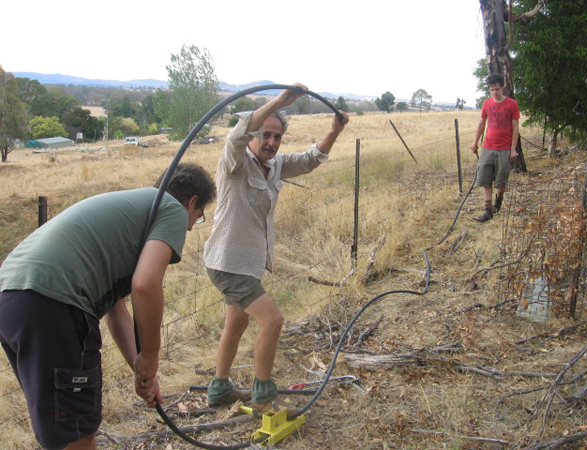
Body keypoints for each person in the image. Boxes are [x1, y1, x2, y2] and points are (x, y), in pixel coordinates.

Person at [0, 163, 216, 450]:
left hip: (13, 299)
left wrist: (142, 372)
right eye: (198, 217)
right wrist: (151, 356)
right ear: (192, 202)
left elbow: (117, 312)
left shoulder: (133, 208)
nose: (190, 226)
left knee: (61, 426)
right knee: (77, 432)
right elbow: (145, 285)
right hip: (54, 304)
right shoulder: (172, 208)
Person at [203, 83, 349, 417]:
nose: (271, 142)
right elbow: (235, 137)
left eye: (277, 137)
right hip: (228, 262)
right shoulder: (234, 164)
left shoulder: (277, 165)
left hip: (247, 263)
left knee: (235, 326)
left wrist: (334, 131)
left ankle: (220, 388)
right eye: (266, 134)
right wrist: (281, 101)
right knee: (273, 321)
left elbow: (312, 159)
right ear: (255, 134)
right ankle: (264, 399)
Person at [470, 73, 520, 222]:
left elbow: (515, 127)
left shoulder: (512, 104)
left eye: (496, 89)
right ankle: (488, 210)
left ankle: (499, 199)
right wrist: (475, 142)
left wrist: (512, 149)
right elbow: (481, 124)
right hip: (488, 147)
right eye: (491, 89)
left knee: (501, 181)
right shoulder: (487, 104)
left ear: (502, 87)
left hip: (504, 148)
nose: (494, 92)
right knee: (484, 178)